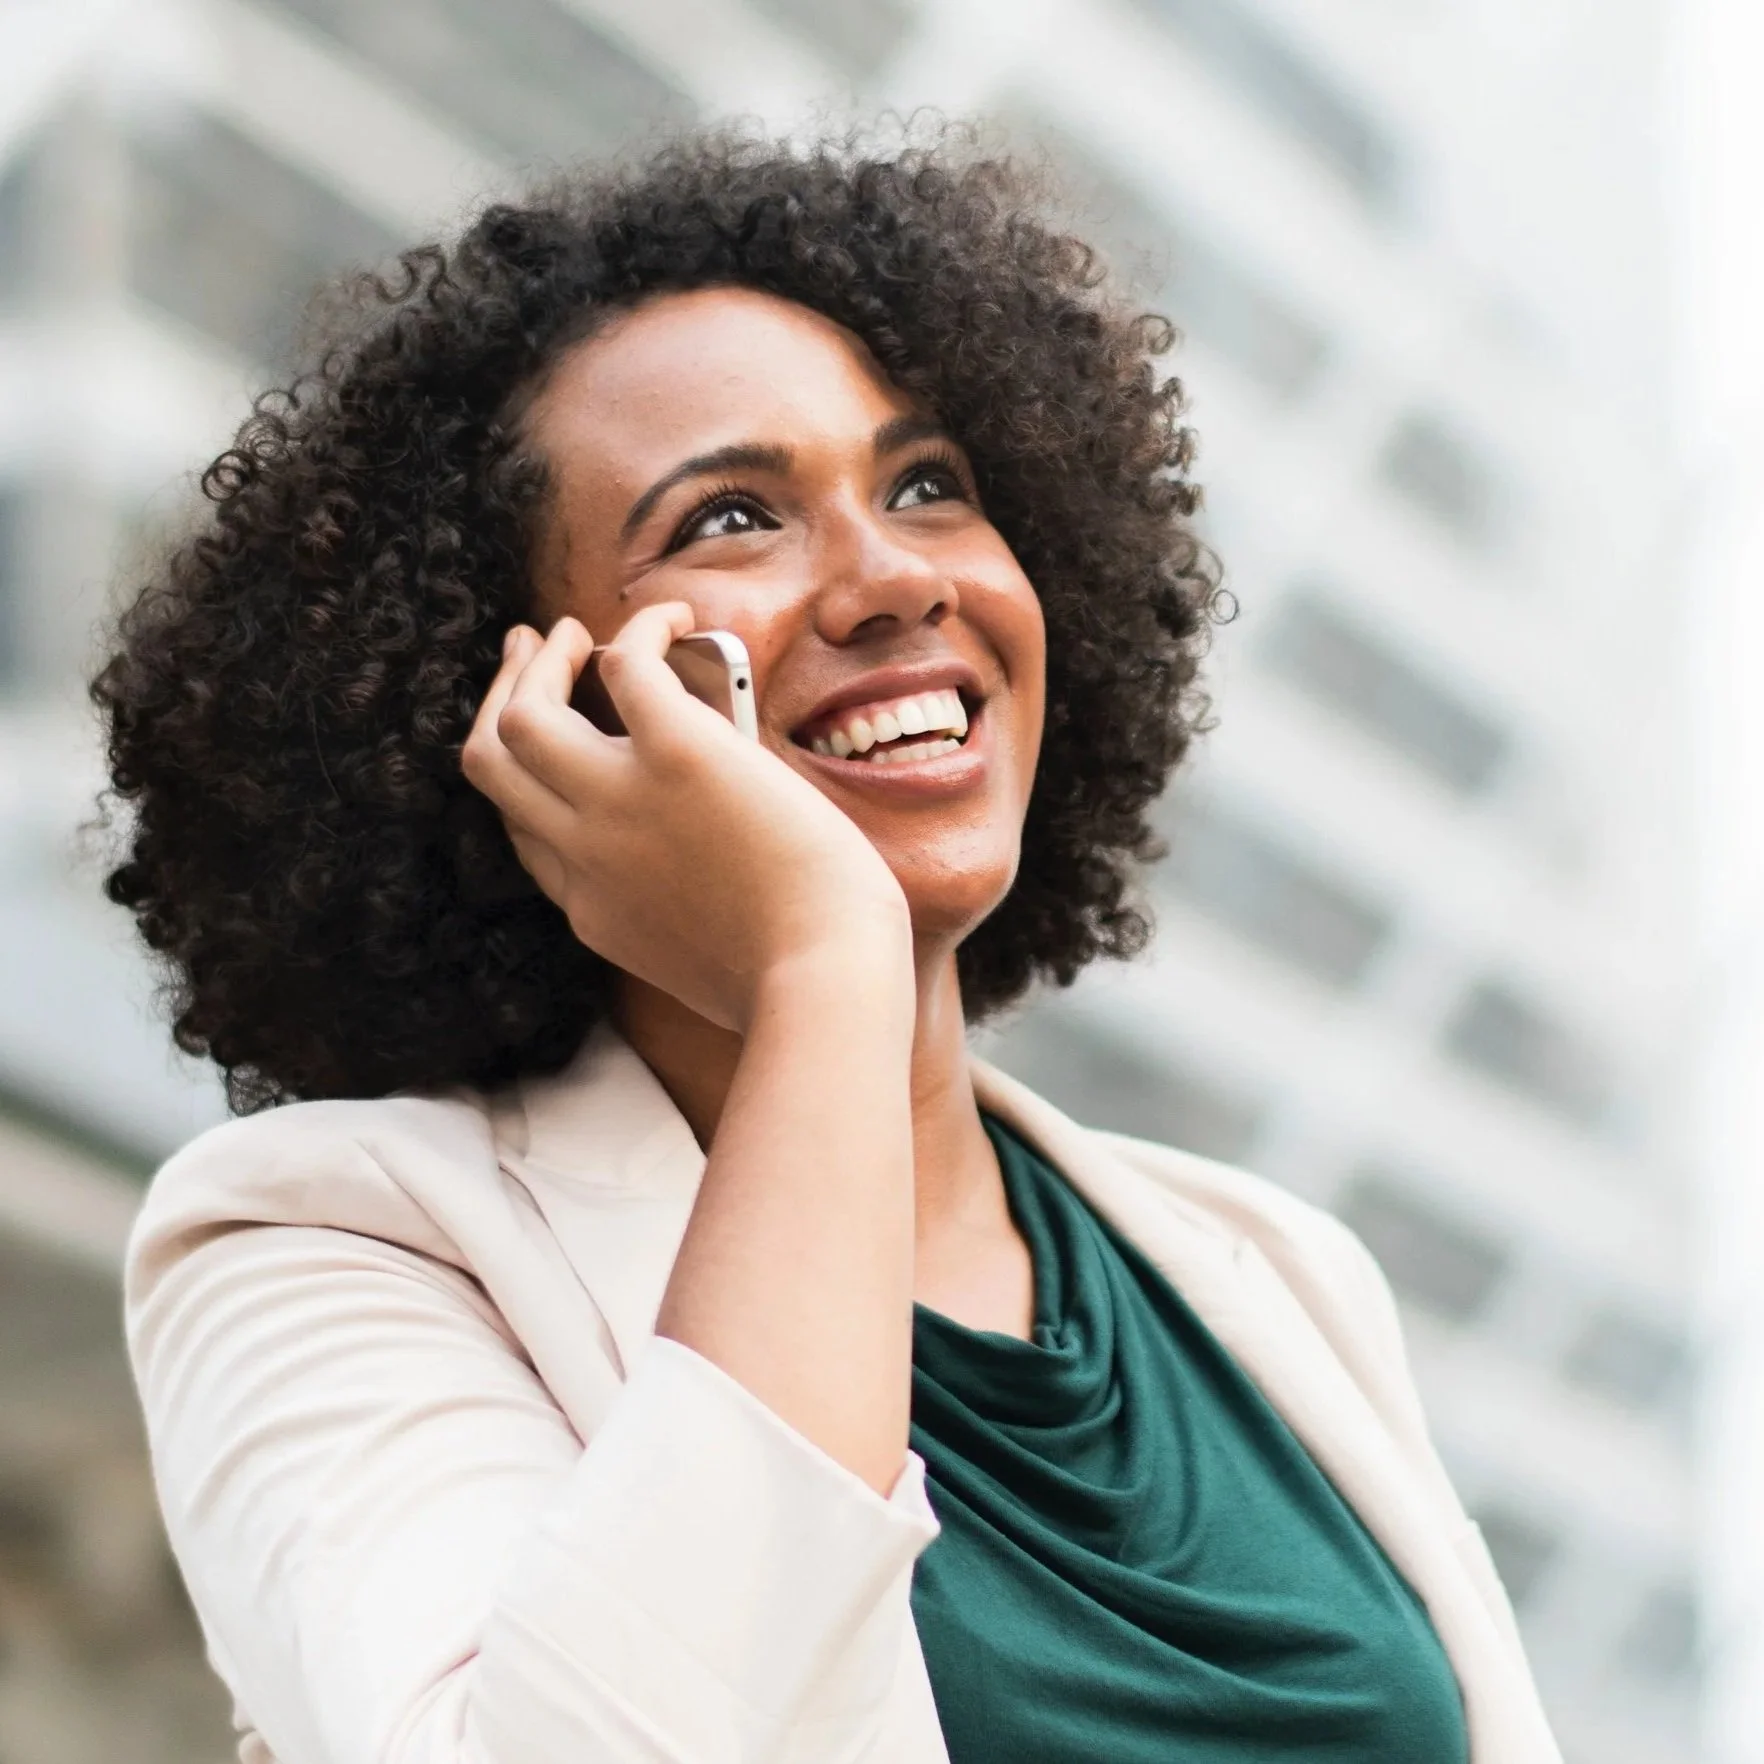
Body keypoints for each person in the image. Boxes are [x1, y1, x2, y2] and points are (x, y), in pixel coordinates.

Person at [97, 130, 1560, 1763]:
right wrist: (819, 968)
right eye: (732, 518)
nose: (891, 580)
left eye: (930, 484)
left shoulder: (1271, 1270)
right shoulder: (330, 1249)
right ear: (525, 706)